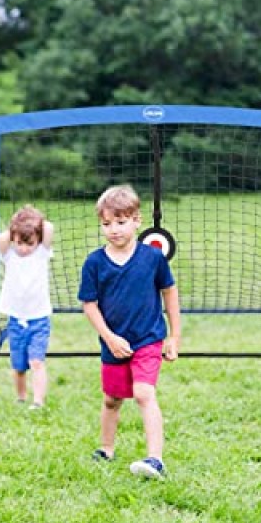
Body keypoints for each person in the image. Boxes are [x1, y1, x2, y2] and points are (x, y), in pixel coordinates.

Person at [78, 185, 180, 478]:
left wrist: (174, 337)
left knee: (144, 393)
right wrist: (109, 338)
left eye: (121, 222)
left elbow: (169, 292)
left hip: (148, 338)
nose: (114, 230)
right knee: (112, 399)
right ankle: (106, 449)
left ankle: (155, 459)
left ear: (137, 220)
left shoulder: (153, 258)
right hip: (113, 344)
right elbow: (89, 304)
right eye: (106, 224)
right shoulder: (95, 262)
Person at [0, 205, 55, 409]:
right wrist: (16, 228)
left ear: (37, 239)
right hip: (16, 320)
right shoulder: (9, 255)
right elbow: (2, 239)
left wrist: (33, 223)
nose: (23, 248)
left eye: (29, 243)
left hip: (39, 320)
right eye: (19, 243)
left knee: (37, 361)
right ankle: (21, 397)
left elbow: (48, 227)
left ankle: (38, 401)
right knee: (19, 367)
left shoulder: (42, 253)